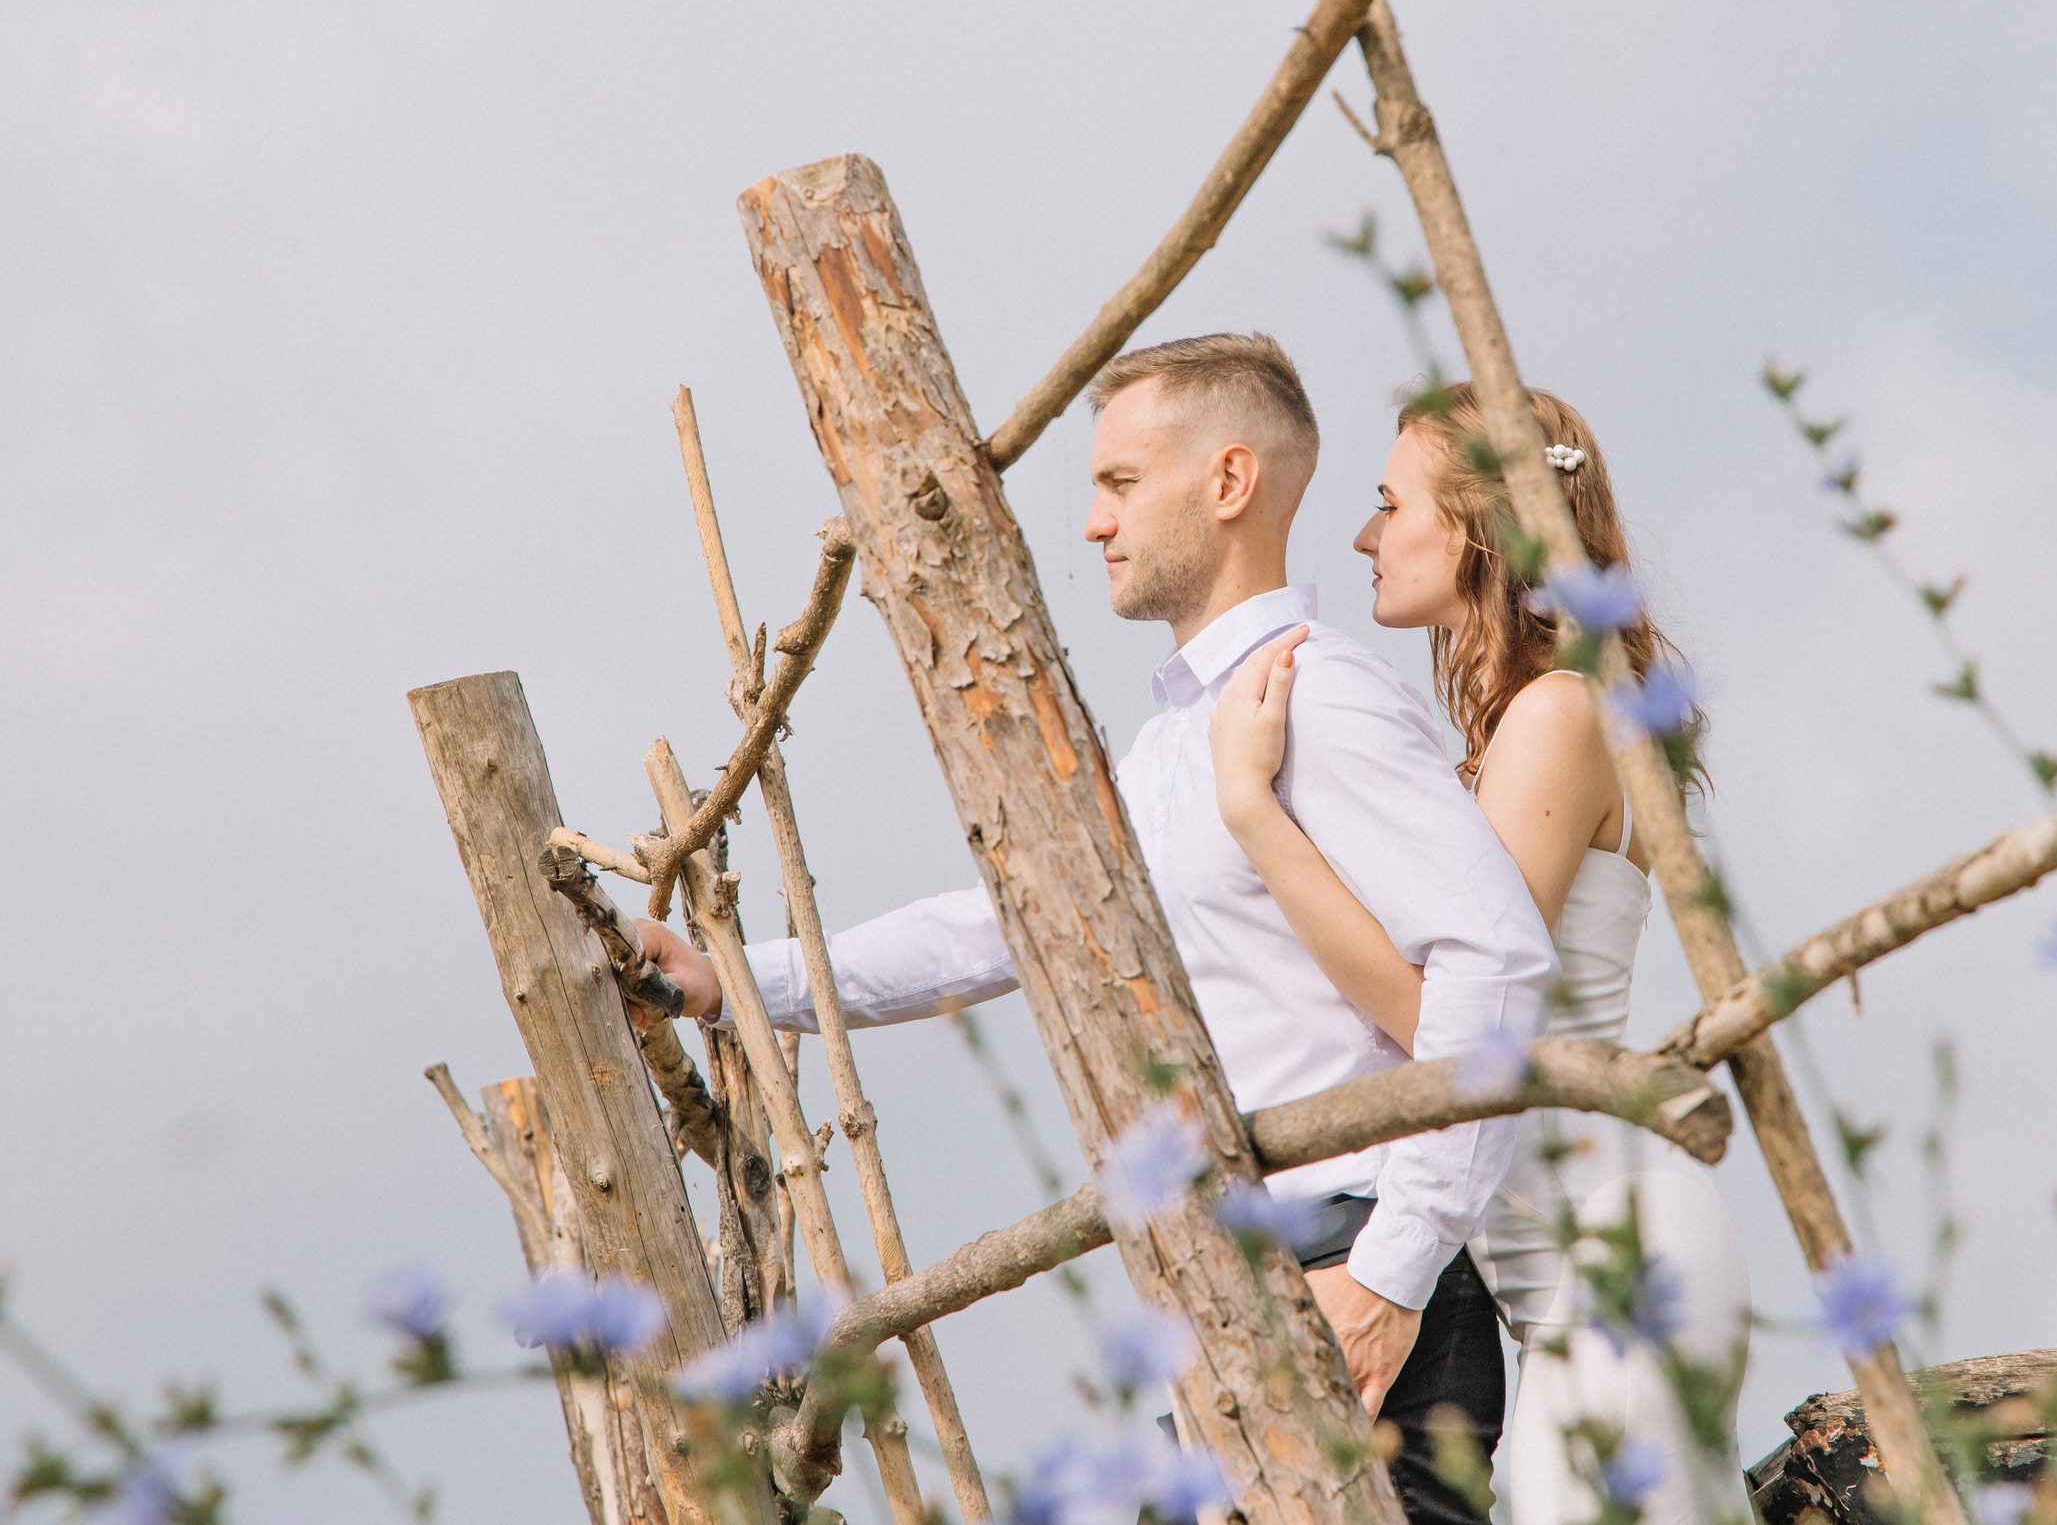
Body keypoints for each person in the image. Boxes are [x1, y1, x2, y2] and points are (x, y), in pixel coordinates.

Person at [637, 333, 1555, 1525]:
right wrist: (730, 981)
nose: (1089, 525)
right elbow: (1008, 926)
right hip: (1231, 1294)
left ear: (1228, 485)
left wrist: (1392, 1272)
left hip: (1353, 1267)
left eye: (1120, 484)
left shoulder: (1316, 695)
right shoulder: (1180, 736)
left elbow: (1496, 956)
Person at [1204, 384, 1753, 1525]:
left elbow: (1452, 1023)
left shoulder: (1557, 713)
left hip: (1609, 1261)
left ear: (1479, 526)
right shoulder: (1518, 727)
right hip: (1549, 1281)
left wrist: (1255, 818)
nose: (1362, 535)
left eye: (1387, 501)